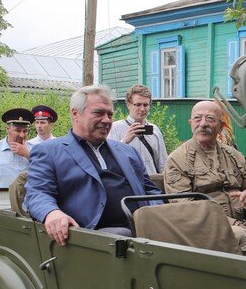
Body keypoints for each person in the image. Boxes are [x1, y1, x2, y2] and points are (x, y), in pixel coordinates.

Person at [25, 84, 161, 246]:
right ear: (75, 114)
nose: (106, 120)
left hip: (144, 232)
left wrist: (155, 215)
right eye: (98, 113)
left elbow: (151, 191)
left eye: (110, 115)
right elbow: (37, 193)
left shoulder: (128, 152)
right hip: (92, 239)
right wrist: (52, 213)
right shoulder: (49, 151)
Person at [164, 100, 246, 257]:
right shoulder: (178, 159)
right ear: (190, 123)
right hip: (204, 227)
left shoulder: (234, 155)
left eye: (210, 118)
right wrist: (232, 224)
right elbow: (185, 208)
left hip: (242, 220)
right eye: (197, 118)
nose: (203, 124)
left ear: (221, 126)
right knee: (242, 237)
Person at [107, 84, 168, 175]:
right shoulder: (115, 128)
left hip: (153, 184)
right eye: (138, 104)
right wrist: (124, 142)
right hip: (129, 185)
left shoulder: (155, 130)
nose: (142, 109)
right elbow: (108, 161)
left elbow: (163, 163)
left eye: (146, 105)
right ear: (128, 105)